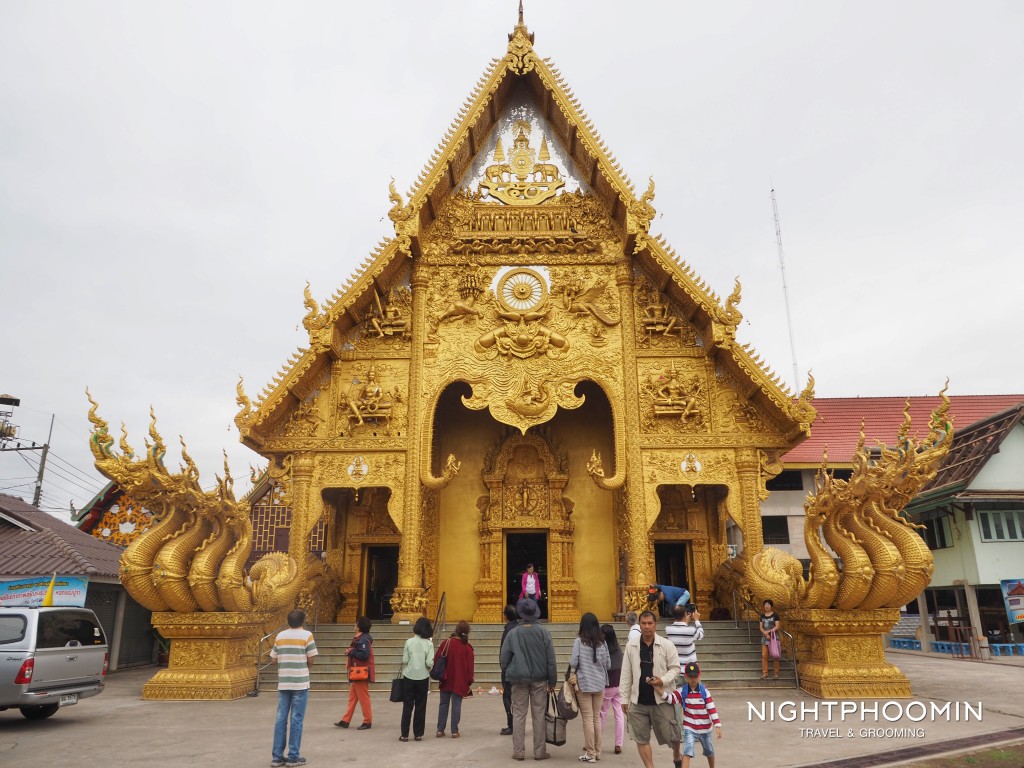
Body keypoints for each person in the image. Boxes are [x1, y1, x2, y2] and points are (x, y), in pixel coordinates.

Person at [620, 610, 682, 768]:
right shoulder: (631, 646)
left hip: (661, 699)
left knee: (673, 735)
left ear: (656, 625)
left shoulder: (666, 645)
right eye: (644, 623)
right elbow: (626, 673)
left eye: (650, 623)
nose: (647, 627)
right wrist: (624, 698)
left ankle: (676, 754)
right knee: (641, 738)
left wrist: (663, 680)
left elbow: (675, 668)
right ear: (639, 625)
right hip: (638, 700)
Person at [500, 598, 558, 762]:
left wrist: (509, 671)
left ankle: (519, 751)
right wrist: (552, 680)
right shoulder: (543, 632)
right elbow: (551, 659)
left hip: (518, 679)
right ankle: (539, 752)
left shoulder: (513, 633)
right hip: (539, 679)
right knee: (539, 714)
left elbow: (504, 659)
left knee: (519, 714)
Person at [270, 609, 318, 768]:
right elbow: (311, 659)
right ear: (303, 621)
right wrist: (304, 666)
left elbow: (273, 660)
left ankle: (277, 757)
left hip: (283, 682)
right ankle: (293, 757)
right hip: (300, 682)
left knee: (280, 719)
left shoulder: (280, 636)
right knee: (297, 719)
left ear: (288, 621)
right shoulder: (307, 636)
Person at [654, 662, 722, 768]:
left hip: (705, 729)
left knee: (709, 751)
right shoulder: (682, 691)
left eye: (695, 676)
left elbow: (711, 709)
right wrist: (659, 690)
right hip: (690, 728)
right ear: (686, 676)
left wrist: (717, 725)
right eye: (690, 677)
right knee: (687, 751)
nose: (693, 679)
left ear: (699, 675)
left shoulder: (705, 692)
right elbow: (671, 699)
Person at [570, 612, 611, 762]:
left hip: (584, 683)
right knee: (596, 718)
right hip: (599, 684)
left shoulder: (579, 642)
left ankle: (590, 753)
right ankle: (597, 752)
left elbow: (574, 662)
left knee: (587, 719)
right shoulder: (603, 642)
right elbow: (608, 664)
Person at [436, 620, 474, 738]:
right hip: (460, 680)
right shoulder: (467, 648)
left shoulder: (446, 643)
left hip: (446, 678)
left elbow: (437, 659)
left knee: (443, 704)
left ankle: (440, 730)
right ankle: (454, 731)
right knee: (456, 705)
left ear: (456, 630)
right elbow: (470, 667)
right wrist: (468, 681)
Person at [399, 617, 434, 742]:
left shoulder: (408, 642)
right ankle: (418, 734)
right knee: (420, 705)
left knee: (407, 705)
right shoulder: (429, 644)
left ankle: (404, 734)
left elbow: (405, 660)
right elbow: (429, 663)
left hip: (409, 676)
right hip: (423, 677)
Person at [337, 616, 374, 730]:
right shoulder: (361, 638)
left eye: (356, 624)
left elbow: (364, 655)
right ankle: (345, 719)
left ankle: (367, 721)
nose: (354, 625)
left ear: (359, 627)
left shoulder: (362, 640)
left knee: (363, 697)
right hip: (356, 672)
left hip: (359, 672)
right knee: (353, 697)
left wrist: (351, 651)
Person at [598, 624, 625, 755]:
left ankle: (597, 742)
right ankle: (618, 744)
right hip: (619, 685)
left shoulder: (602, 650)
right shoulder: (619, 650)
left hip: (607, 686)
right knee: (619, 714)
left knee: (602, 714)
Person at [499, 604, 519, 736]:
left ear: (506, 616)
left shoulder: (509, 630)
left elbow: (504, 651)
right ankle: (516, 724)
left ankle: (512, 725)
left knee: (508, 697)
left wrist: (504, 667)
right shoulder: (518, 627)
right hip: (519, 667)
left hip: (510, 669)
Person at [759, 599, 781, 680]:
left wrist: (768, 632)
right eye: (765, 605)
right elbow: (761, 627)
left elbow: (777, 626)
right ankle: (765, 673)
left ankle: (776, 673)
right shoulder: (762, 616)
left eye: (768, 605)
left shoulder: (775, 615)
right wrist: (765, 633)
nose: (767, 606)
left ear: (771, 606)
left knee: (775, 656)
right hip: (765, 638)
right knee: (764, 655)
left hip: (774, 638)